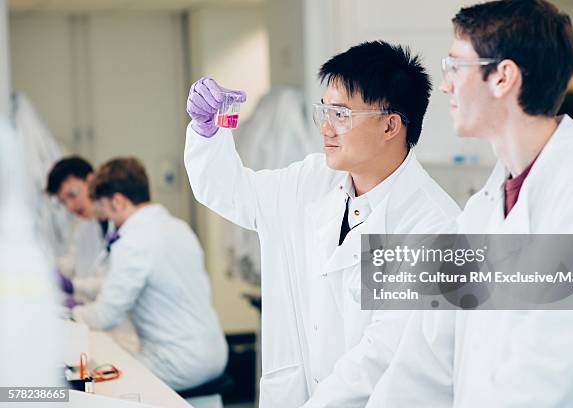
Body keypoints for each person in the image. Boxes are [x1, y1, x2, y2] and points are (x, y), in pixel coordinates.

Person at [184, 41, 460, 407]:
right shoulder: (310, 180)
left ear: (390, 125)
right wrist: (209, 131)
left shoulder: (434, 225)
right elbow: (229, 191)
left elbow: (381, 356)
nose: (326, 128)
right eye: (324, 112)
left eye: (342, 115)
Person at [367, 1, 573, 407]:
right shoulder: (479, 211)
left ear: (502, 77)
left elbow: (546, 371)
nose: (444, 85)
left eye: (455, 68)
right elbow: (424, 359)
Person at [72, 157, 227, 391]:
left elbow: (106, 316)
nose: (107, 220)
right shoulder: (178, 227)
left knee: (102, 384)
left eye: (104, 210)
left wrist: (72, 315)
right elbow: (118, 282)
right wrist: (77, 288)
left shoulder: (133, 242)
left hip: (177, 362)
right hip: (215, 353)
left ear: (117, 201)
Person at [46, 156, 111, 301]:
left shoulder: (119, 225)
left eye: (72, 195)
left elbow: (115, 283)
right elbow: (72, 262)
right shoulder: (84, 227)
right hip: (94, 313)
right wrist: (45, 268)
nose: (70, 207)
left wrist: (74, 286)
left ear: (91, 181)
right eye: (63, 202)